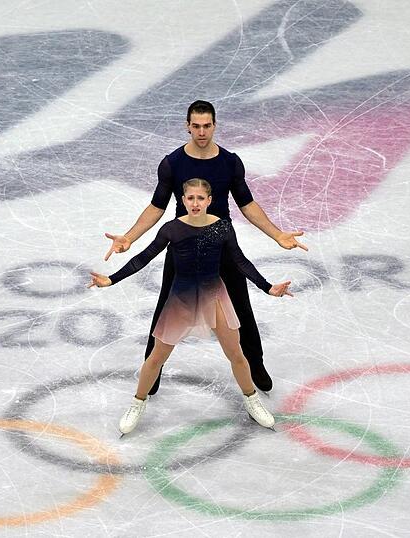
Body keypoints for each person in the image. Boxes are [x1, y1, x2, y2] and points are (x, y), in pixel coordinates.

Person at [103, 100, 306, 396]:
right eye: (195, 126)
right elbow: (157, 206)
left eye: (206, 125)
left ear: (214, 125)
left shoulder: (229, 162)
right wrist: (130, 237)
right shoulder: (173, 163)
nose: (201, 131)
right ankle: (153, 370)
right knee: (165, 309)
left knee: (241, 309)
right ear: (187, 126)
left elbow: (246, 204)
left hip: (222, 244)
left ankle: (256, 364)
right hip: (183, 246)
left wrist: (276, 235)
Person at [90, 179, 292, 434]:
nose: (195, 203)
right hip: (181, 298)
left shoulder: (223, 228)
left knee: (237, 354)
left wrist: (268, 287)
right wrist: (111, 279)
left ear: (209, 201)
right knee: (156, 358)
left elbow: (240, 261)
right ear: (183, 201)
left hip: (214, 297)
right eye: (190, 198)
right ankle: (137, 403)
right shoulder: (171, 229)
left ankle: (252, 401)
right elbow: (143, 257)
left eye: (200, 198)